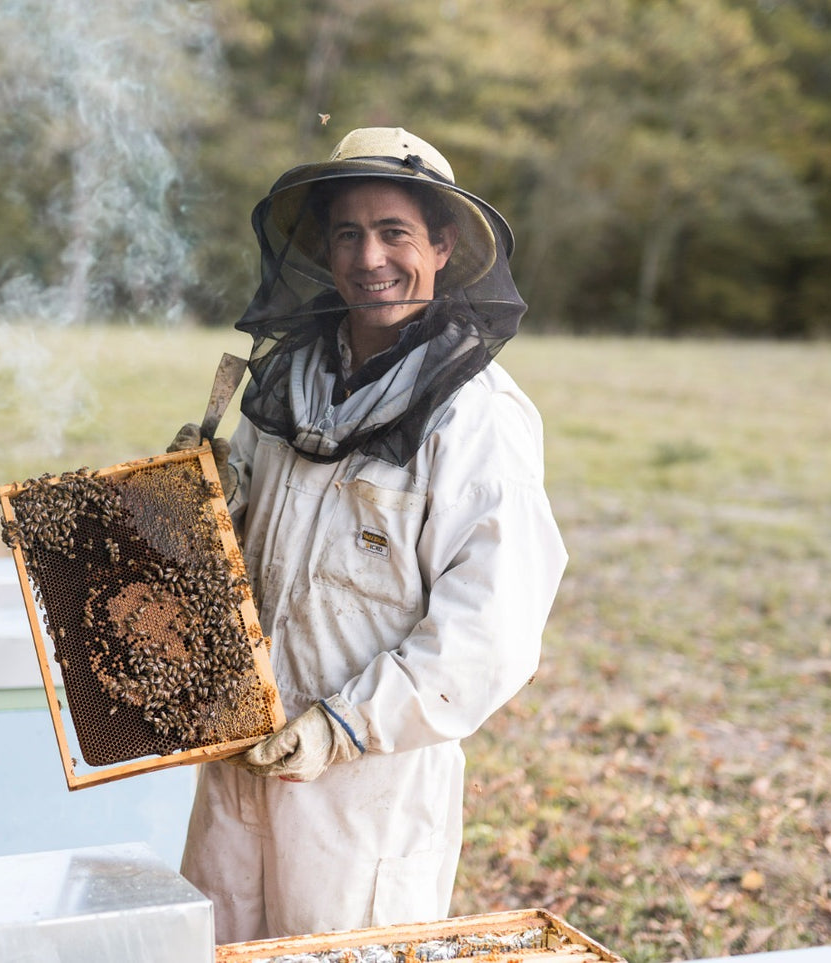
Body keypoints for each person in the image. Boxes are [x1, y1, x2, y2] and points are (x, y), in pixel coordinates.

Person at [169, 127, 568, 944]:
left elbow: (490, 627)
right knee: (216, 946)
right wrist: (191, 499)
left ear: (442, 245)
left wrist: (345, 724)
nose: (368, 257)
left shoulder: (476, 416)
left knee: (342, 950)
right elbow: (241, 545)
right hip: (238, 749)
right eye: (347, 233)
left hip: (364, 786)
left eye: (394, 232)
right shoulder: (290, 382)